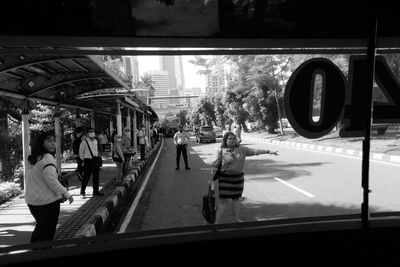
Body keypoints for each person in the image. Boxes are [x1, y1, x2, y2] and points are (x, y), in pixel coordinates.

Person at [208, 132, 278, 223]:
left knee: (236, 199)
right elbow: (215, 165)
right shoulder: (221, 150)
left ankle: (236, 219)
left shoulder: (242, 149)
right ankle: (216, 223)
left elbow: (255, 151)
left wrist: (268, 151)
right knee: (223, 201)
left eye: (233, 138)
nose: (232, 140)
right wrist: (211, 179)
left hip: (238, 178)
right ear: (225, 140)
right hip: (225, 178)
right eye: (229, 139)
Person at [25, 131, 74, 243]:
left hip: (32, 201)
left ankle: (34, 250)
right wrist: (66, 194)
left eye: (54, 141)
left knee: (41, 227)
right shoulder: (47, 159)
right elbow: (52, 180)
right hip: (47, 202)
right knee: (48, 231)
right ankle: (45, 251)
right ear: (42, 143)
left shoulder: (33, 158)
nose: (53, 144)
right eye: (49, 141)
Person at [79, 127, 103, 198]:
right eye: (90, 132)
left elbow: (97, 150)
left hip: (95, 160)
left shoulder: (96, 141)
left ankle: (96, 191)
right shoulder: (84, 142)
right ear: (87, 133)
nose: (92, 133)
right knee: (86, 177)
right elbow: (81, 153)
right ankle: (82, 192)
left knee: (96, 177)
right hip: (87, 161)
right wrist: (85, 160)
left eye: (93, 131)